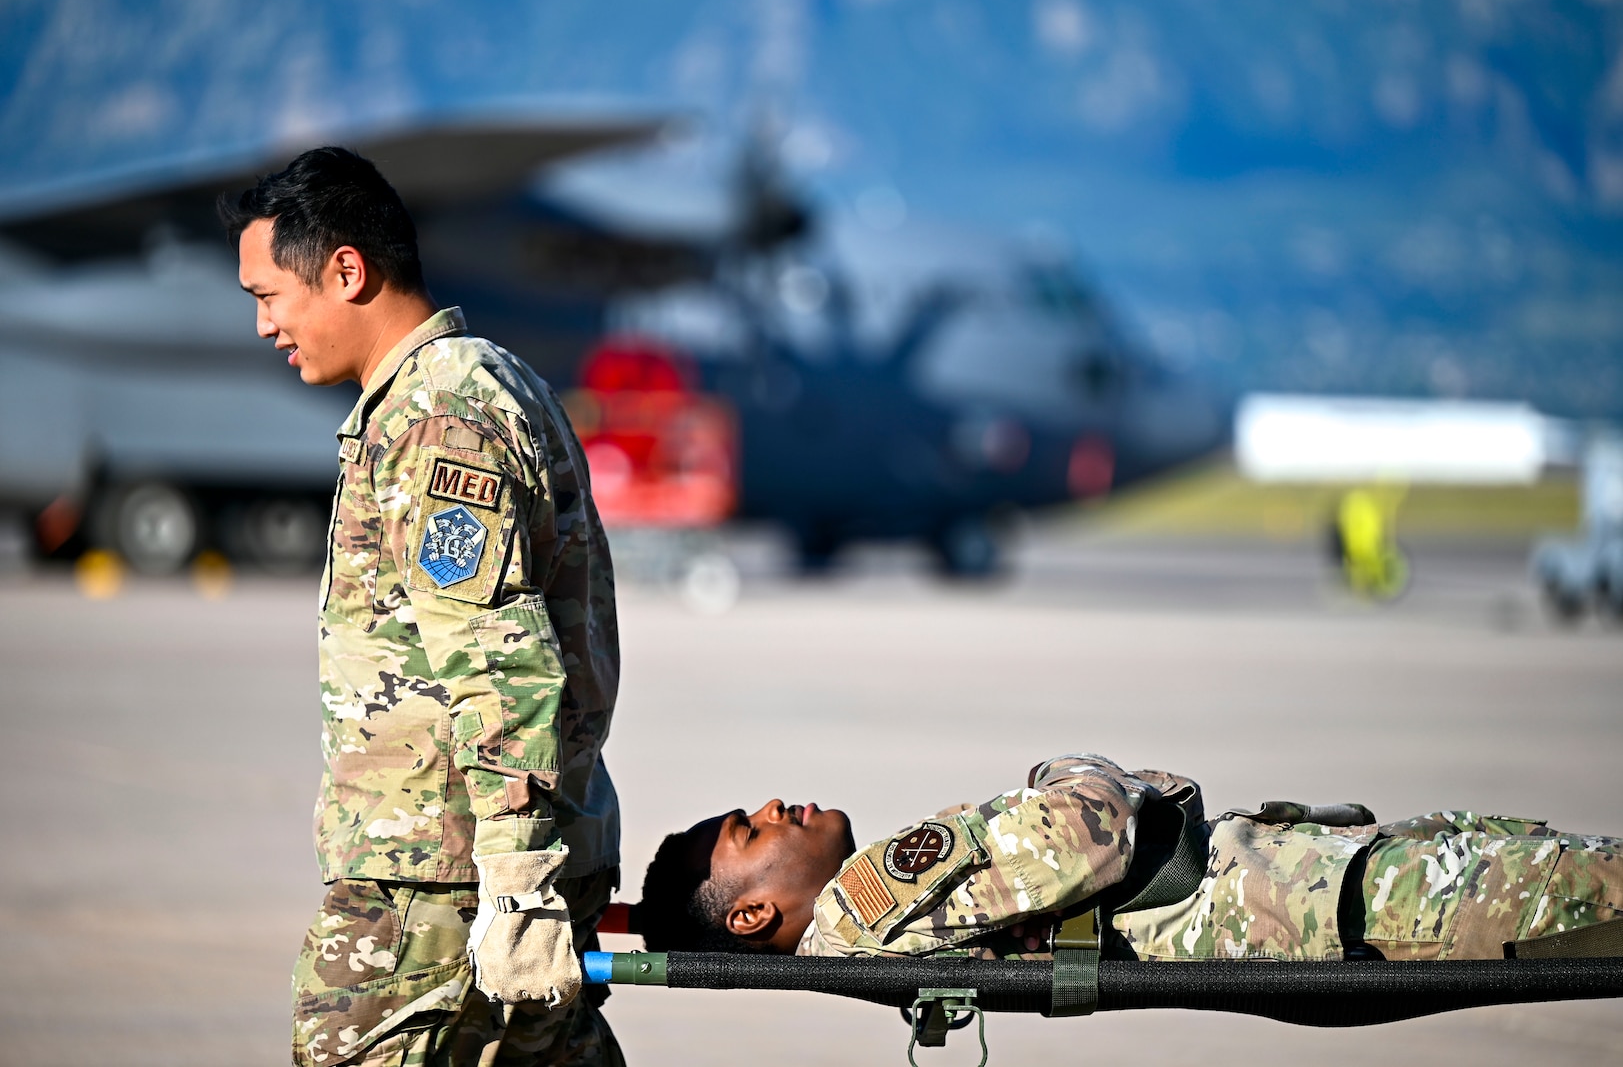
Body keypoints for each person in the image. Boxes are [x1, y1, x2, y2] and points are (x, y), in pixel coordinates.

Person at [221, 147, 622, 1067]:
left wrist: (517, 882)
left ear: (345, 271)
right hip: (474, 859)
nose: (262, 326)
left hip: (437, 881)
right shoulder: (469, 386)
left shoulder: (439, 412)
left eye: (268, 294)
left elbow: (495, 650)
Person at [637, 753, 1622, 963]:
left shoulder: (865, 921)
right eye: (749, 830)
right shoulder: (870, 894)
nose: (773, 805)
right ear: (753, 914)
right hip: (1351, 901)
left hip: (1340, 888)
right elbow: (1097, 820)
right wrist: (1071, 766)